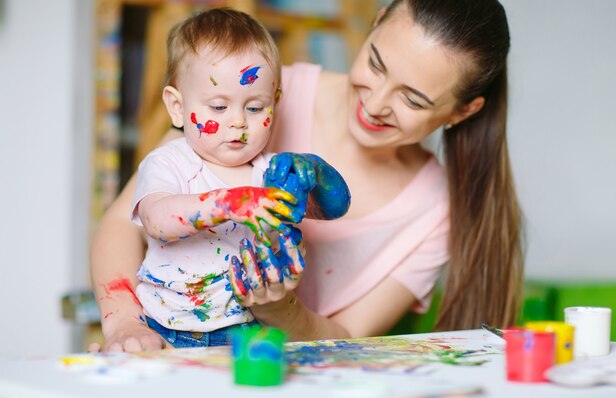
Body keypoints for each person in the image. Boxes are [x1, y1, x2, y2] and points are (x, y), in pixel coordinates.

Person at [90, 0, 524, 352]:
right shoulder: (251, 92)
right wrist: (125, 325)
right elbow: (124, 222)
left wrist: (279, 307)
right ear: (374, 26)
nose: (376, 104)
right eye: (375, 64)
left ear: (462, 111)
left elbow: (349, 340)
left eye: (413, 99)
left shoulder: (434, 212)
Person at [126, 8, 350, 348]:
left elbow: (334, 209)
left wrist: (317, 172)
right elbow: (156, 219)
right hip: (164, 329)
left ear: (275, 104)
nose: (238, 122)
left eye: (255, 108)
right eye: (218, 107)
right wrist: (228, 203)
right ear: (177, 106)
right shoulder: (170, 162)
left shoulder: (271, 174)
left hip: (246, 331)